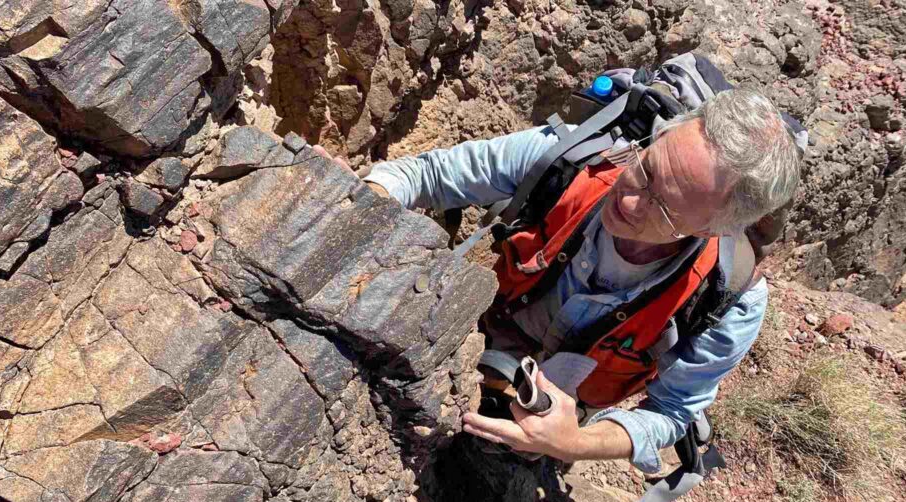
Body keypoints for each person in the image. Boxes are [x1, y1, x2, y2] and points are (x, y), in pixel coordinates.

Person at [341, 87, 802, 476]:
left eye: (662, 208)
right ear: (659, 136)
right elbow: (427, 175)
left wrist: (574, 443)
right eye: (646, 169)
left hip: (560, 407)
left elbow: (672, 412)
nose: (630, 200)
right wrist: (352, 202)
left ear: (710, 231)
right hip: (468, 330)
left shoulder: (728, 299)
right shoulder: (575, 159)